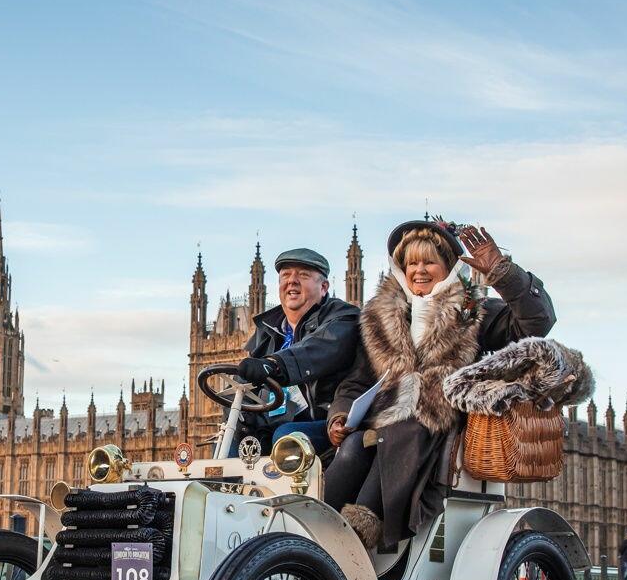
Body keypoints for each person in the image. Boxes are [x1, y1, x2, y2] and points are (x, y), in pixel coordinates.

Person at [323, 218, 556, 549]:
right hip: (382, 424)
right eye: (411, 262)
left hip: (440, 428)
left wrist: (502, 272)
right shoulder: (379, 318)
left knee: (399, 433)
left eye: (429, 261)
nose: (419, 270)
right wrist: (341, 415)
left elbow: (537, 322)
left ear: (447, 266)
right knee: (349, 450)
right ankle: (316, 522)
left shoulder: (472, 309)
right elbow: (356, 382)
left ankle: (362, 530)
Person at [232, 248, 361, 454]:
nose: (292, 281)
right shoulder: (266, 335)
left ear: (324, 287)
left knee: (286, 436)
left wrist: (274, 364)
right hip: (274, 427)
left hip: (327, 423)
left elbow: (319, 349)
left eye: (303, 275)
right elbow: (244, 387)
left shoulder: (343, 317)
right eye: (286, 275)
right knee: (236, 442)